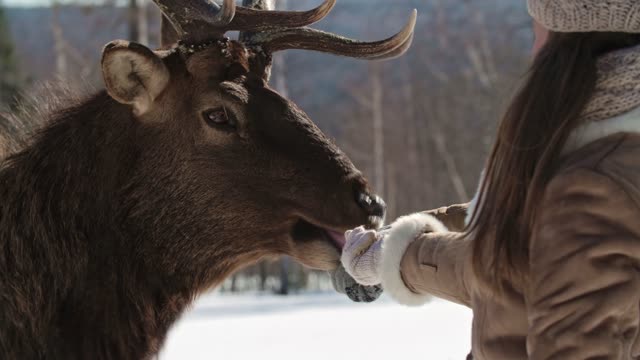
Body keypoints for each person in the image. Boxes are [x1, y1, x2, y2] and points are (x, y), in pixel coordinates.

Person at [339, 1, 640, 359]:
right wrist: (397, 249)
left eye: (538, 30)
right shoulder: (599, 164)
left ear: (570, 39)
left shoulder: (590, 187)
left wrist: (394, 255)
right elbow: (515, 262)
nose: (533, 48)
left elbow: (509, 268)